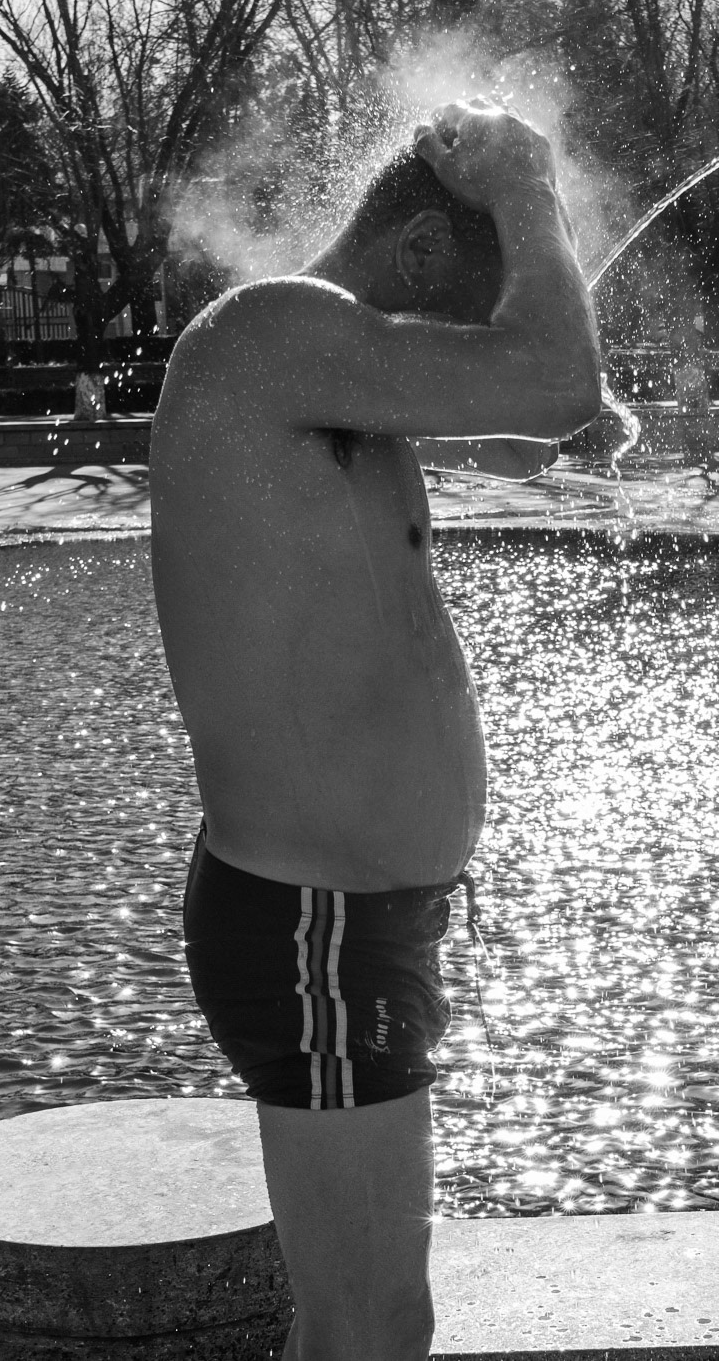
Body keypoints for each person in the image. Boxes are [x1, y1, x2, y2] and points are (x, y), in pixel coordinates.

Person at [149, 100, 601, 1361]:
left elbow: (524, 424)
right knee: (374, 1329)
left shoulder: (325, 365)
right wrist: (523, 183)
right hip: (314, 926)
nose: (457, 350)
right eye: (469, 312)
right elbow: (552, 379)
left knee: (355, 1325)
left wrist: (554, 419)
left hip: (351, 922)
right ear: (412, 256)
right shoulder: (270, 331)